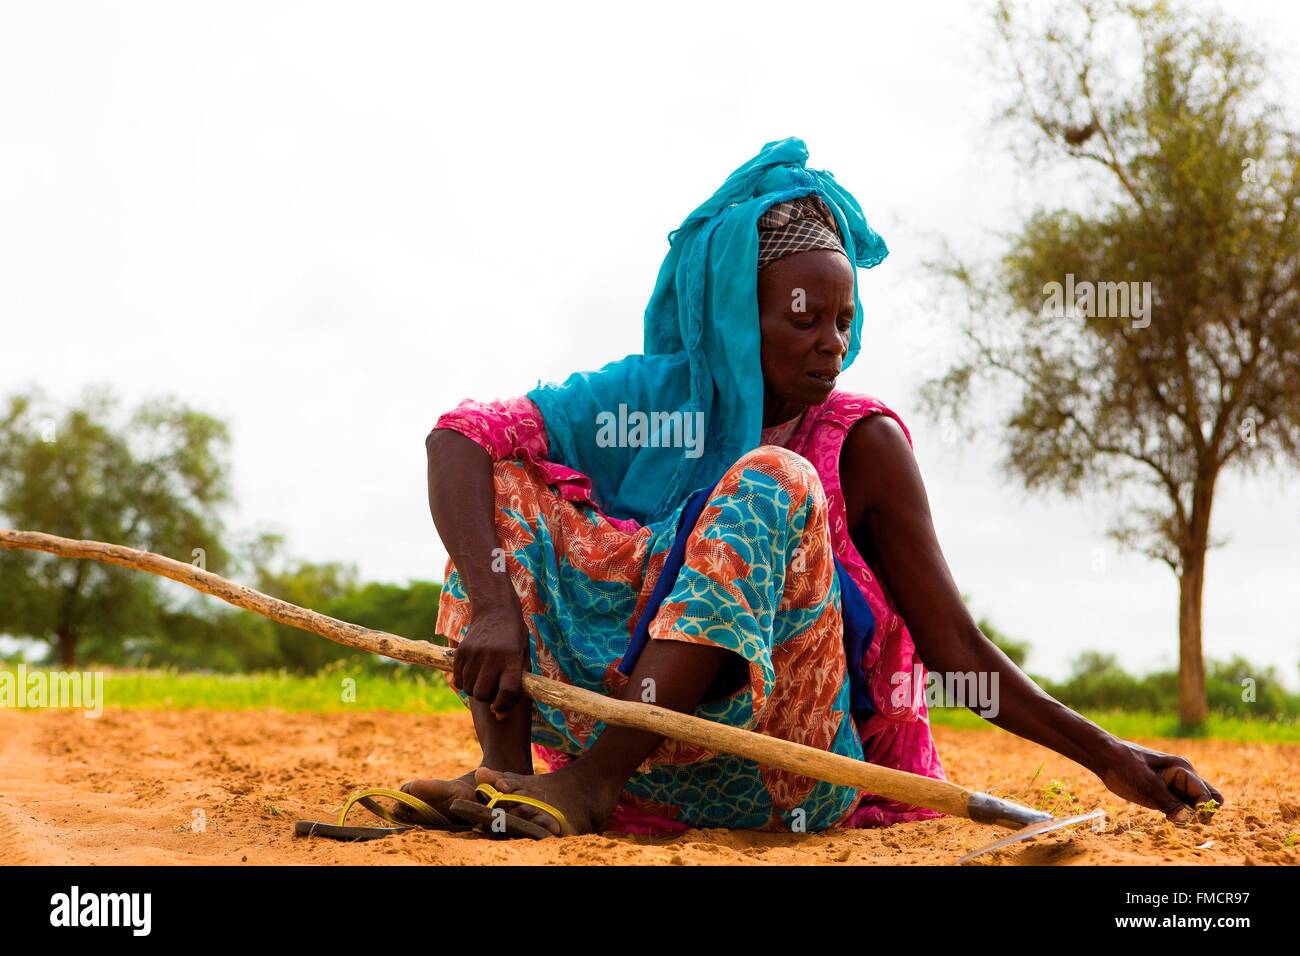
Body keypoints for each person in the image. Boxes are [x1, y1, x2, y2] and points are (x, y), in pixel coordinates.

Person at [404, 138, 1223, 837]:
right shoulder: (649, 399)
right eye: (804, 320)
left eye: (842, 321)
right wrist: (494, 604)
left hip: (786, 769)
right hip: (648, 758)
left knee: (774, 479)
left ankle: (592, 785)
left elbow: (956, 649)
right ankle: (503, 776)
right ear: (735, 318)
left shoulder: (861, 446)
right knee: (500, 481)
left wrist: (1113, 755)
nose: (832, 344)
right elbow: (458, 436)